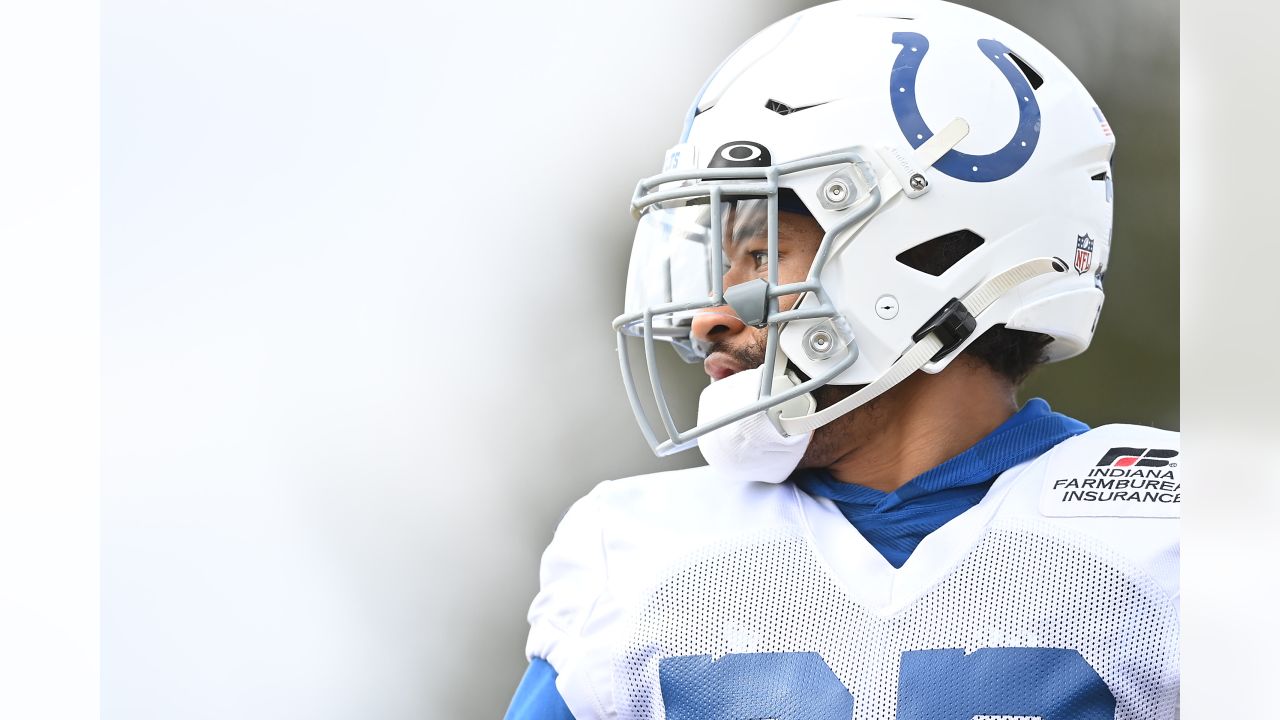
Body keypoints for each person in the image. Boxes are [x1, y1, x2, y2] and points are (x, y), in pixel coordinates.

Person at [506, 1, 1179, 717]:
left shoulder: (1174, 536)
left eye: (763, 256)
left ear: (934, 254)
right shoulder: (631, 555)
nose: (710, 318)